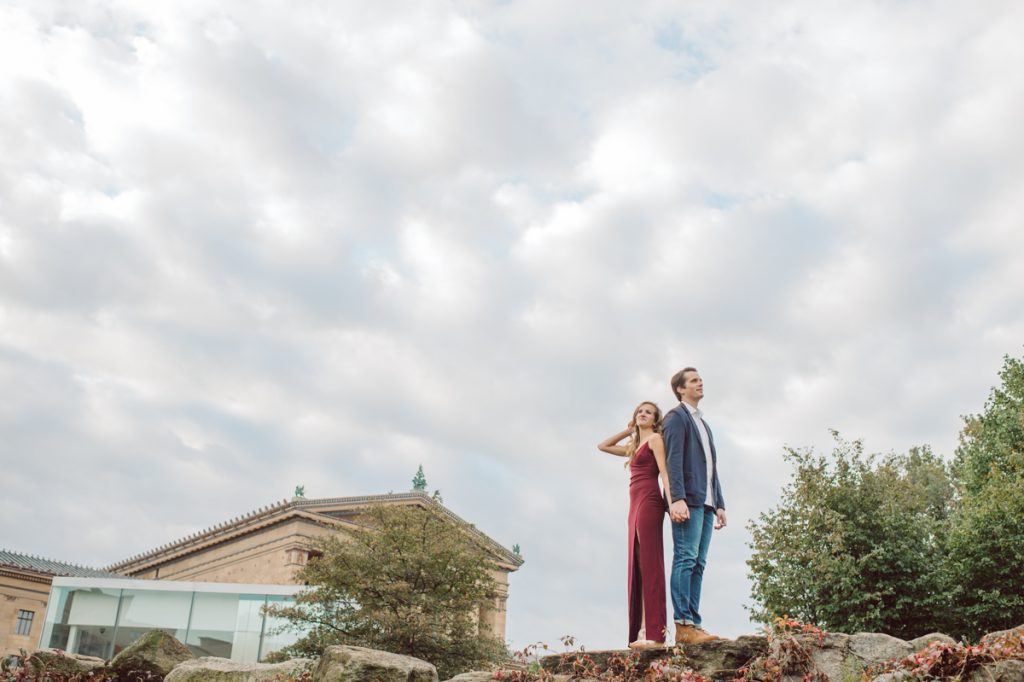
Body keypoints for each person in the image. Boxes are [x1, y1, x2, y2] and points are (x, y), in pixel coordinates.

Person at [598, 401, 672, 649]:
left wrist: (672, 503)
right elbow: (603, 446)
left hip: (650, 501)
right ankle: (641, 629)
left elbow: (664, 473)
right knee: (638, 564)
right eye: (640, 411)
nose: (643, 414)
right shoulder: (634, 446)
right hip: (634, 503)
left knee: (650, 563)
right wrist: (629, 430)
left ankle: (655, 632)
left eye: (648, 412)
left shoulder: (655, 440)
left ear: (655, 419)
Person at [662, 367, 727, 645]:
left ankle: (695, 624)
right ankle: (683, 624)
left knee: (698, 563)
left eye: (700, 379)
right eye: (693, 380)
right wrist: (676, 498)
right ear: (680, 389)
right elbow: (673, 460)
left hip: (707, 501)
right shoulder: (676, 418)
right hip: (687, 500)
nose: (700, 383)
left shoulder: (704, 424)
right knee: (685, 558)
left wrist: (719, 503)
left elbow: (711, 467)